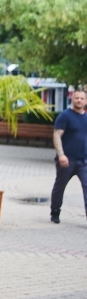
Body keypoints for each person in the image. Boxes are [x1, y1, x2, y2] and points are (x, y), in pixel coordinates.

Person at [50, 89, 87, 224]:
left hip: (83, 161)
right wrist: (61, 155)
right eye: (76, 98)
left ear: (85, 101)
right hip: (67, 160)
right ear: (72, 99)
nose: (79, 100)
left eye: (82, 98)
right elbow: (57, 135)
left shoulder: (86, 118)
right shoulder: (65, 116)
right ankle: (55, 211)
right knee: (60, 186)